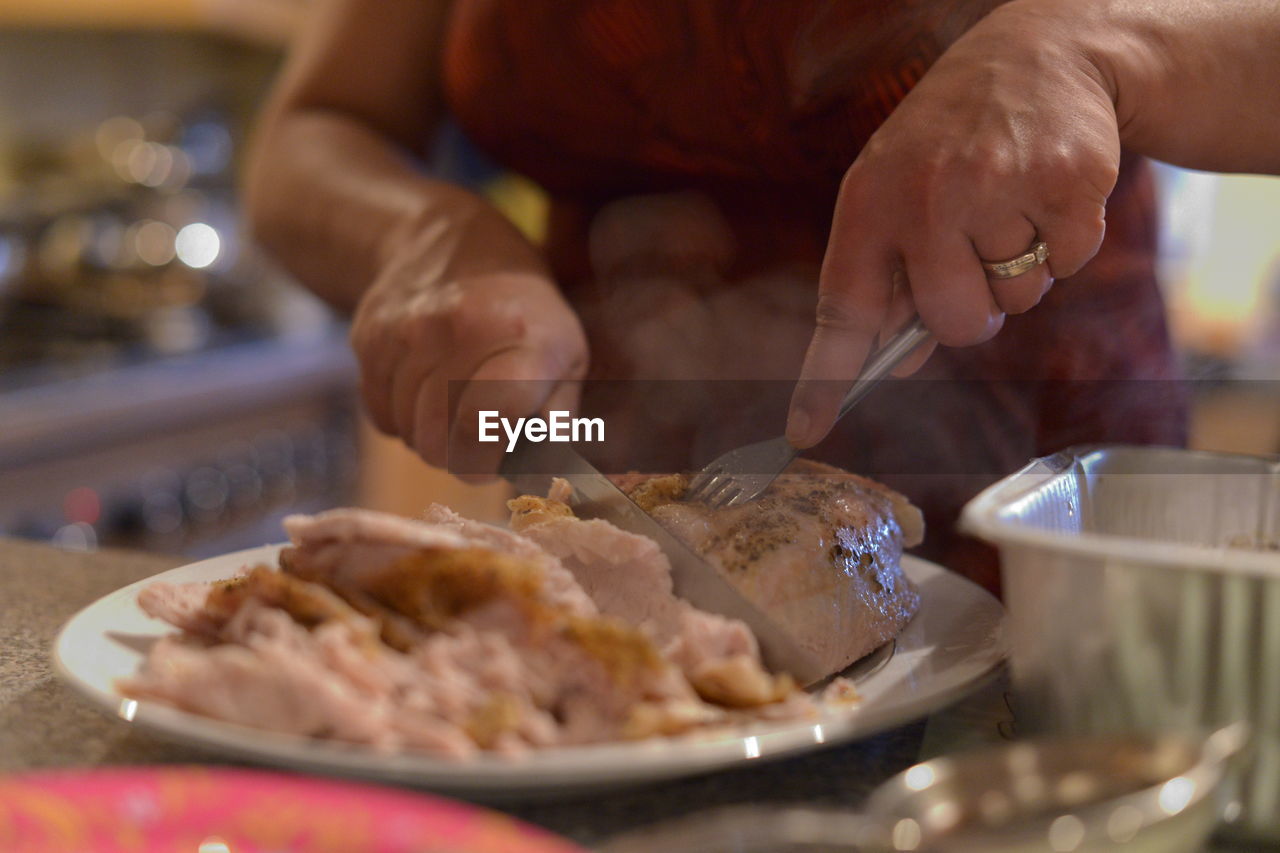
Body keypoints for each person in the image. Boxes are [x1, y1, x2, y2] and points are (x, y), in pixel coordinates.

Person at [245, 0, 1280, 593]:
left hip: (1061, 589)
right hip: (610, 563)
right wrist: (422, 232)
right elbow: (317, 128)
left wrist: (1108, 49)